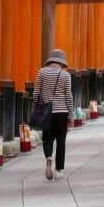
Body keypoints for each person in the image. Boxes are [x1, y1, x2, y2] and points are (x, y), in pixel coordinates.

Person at [33, 48, 73, 180]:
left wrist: (38, 106)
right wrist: (71, 116)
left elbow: (36, 93)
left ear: (50, 60)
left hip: (46, 112)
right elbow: (68, 96)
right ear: (61, 62)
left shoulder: (41, 72)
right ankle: (59, 170)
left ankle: (48, 159)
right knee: (61, 141)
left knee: (47, 138)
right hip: (62, 112)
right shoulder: (65, 75)